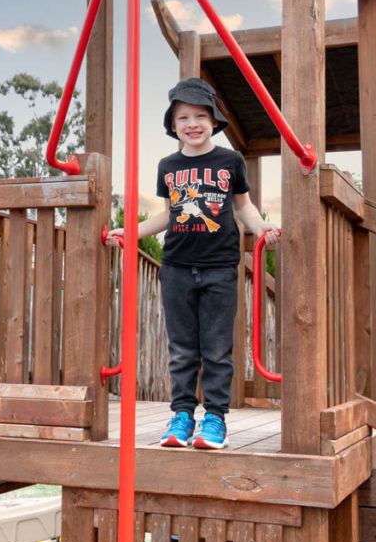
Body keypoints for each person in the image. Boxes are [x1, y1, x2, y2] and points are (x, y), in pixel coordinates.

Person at [107, 77, 281, 450]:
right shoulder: (168, 166)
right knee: (182, 348)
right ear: (173, 126)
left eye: (201, 115)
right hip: (177, 267)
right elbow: (169, 215)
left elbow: (243, 206)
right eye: (183, 117)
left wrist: (261, 226)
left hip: (220, 266)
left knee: (216, 348)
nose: (192, 123)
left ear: (214, 121)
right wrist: (131, 231)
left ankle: (215, 419)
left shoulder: (229, 161)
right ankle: (182, 416)